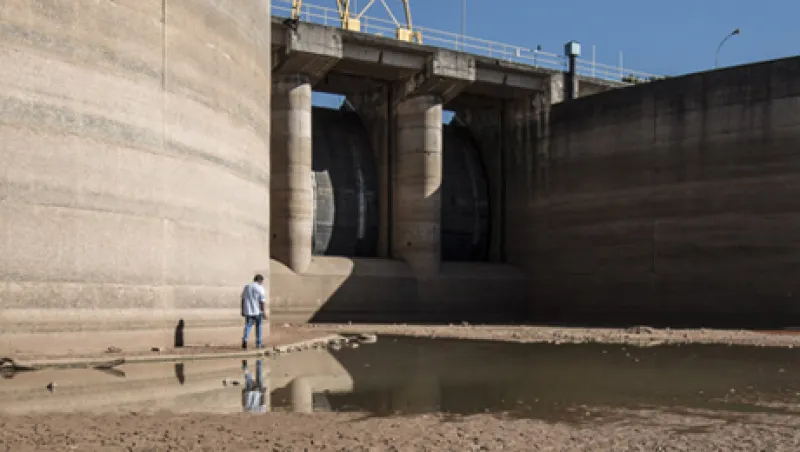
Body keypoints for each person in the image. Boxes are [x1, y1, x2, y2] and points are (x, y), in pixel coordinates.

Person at [241, 274, 267, 349]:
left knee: (248, 326)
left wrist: (242, 309)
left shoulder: (247, 286)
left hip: (248, 310)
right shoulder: (260, 288)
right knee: (258, 327)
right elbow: (262, 301)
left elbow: (242, 299)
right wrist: (263, 312)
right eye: (262, 281)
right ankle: (259, 344)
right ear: (260, 280)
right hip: (257, 311)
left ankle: (245, 339)